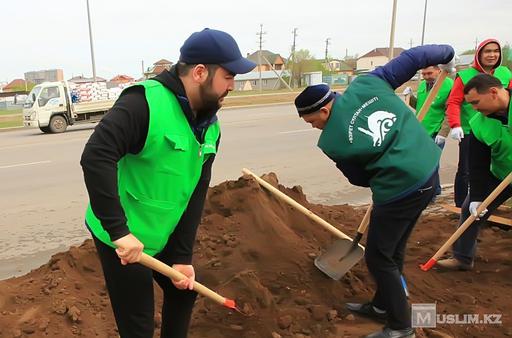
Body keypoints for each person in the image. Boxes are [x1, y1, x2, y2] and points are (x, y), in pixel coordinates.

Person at [80, 28, 255, 338]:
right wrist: (118, 231)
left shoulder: (208, 127)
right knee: (139, 324)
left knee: (184, 289)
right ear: (201, 72)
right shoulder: (144, 103)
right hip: (123, 237)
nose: (232, 85)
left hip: (162, 230)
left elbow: (195, 193)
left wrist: (182, 257)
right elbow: (96, 156)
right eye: (229, 76)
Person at [294, 44, 455, 338]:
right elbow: (412, 59)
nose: (314, 127)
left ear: (324, 109)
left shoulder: (331, 142)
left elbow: (359, 178)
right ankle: (382, 305)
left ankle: (400, 326)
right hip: (428, 170)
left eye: (312, 121)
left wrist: (381, 171)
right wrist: (445, 53)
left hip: (400, 189)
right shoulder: (368, 83)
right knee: (393, 249)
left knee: (379, 258)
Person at [437, 74, 512, 270]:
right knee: (469, 208)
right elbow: (477, 165)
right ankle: (462, 258)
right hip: (501, 174)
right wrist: (478, 197)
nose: (474, 109)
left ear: (493, 92)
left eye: (476, 102)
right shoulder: (479, 123)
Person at [446, 39, 512, 207]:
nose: (492, 55)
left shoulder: (505, 72)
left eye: (495, 51)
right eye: (487, 51)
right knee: (468, 168)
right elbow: (453, 101)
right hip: (471, 129)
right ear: (479, 54)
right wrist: (455, 124)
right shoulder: (466, 76)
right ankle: (462, 203)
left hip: (501, 129)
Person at [403, 65, 454, 199]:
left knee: (429, 164)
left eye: (429, 73)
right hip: (421, 130)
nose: (426, 77)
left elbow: (450, 111)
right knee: (424, 163)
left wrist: (443, 133)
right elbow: (420, 106)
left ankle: (429, 195)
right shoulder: (422, 85)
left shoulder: (449, 85)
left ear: (439, 71)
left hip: (436, 132)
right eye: (424, 74)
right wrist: (410, 96)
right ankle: (435, 190)